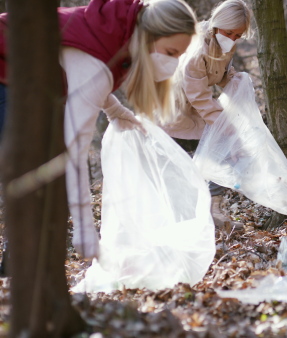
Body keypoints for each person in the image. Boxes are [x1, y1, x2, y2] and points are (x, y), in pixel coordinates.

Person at [0, 0, 198, 259]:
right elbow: (73, 150)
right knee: (30, 161)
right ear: (149, 36)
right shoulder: (102, 51)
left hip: (16, 76)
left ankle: (16, 260)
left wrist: (116, 111)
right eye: (170, 53)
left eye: (179, 56)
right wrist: (84, 228)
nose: (173, 64)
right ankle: (19, 262)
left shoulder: (116, 34)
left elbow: (85, 76)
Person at [162, 0, 252, 232]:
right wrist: (224, 124)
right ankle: (186, 223)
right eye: (229, 32)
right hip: (176, 114)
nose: (232, 38)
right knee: (183, 168)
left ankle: (214, 212)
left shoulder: (224, 44)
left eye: (237, 35)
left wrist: (233, 79)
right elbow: (199, 96)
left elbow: (217, 72)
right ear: (216, 25)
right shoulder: (196, 49)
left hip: (196, 112)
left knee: (219, 154)